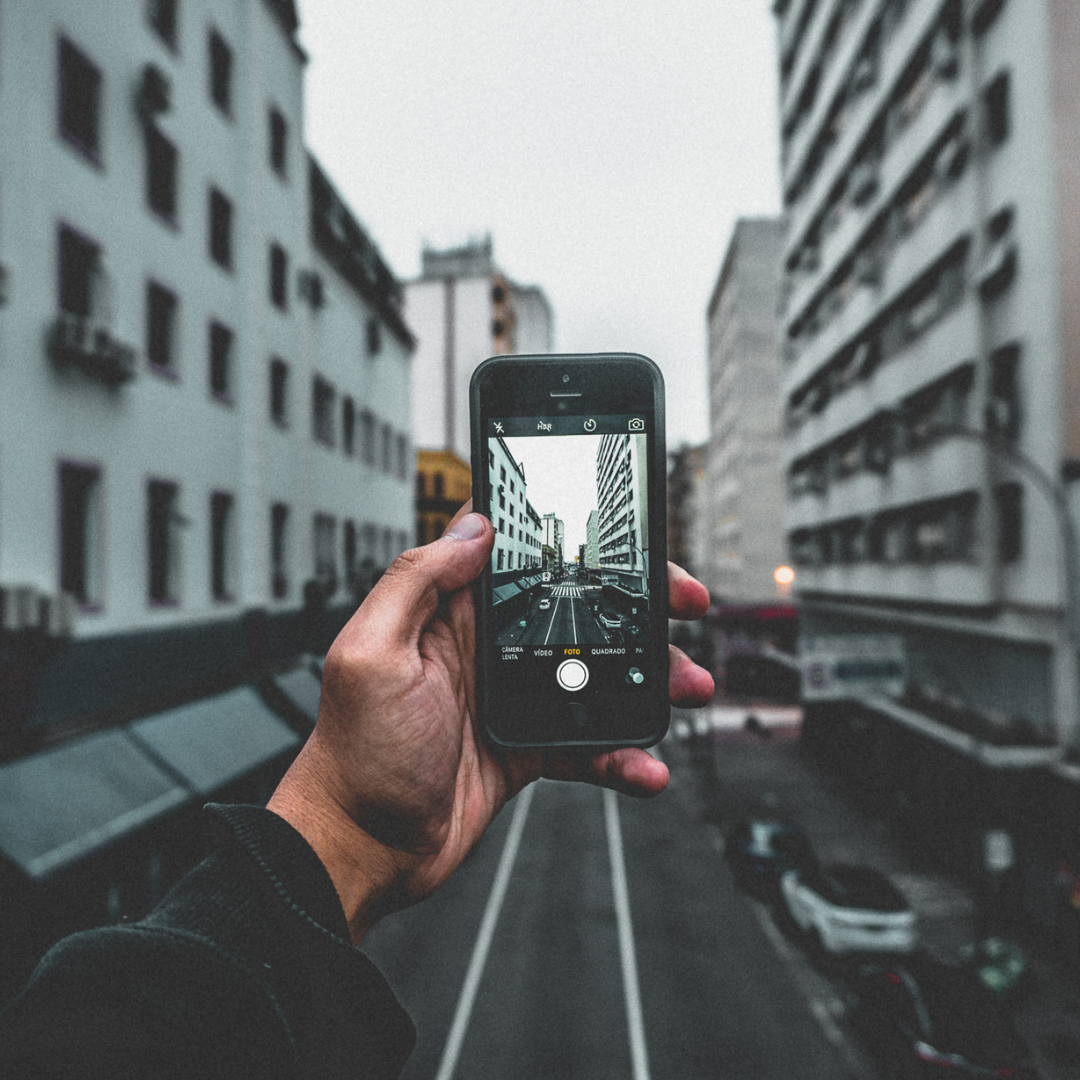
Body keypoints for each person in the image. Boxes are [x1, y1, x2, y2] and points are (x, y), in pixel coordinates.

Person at [0, 506, 713, 1079]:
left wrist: (346, 825)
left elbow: (130, 1034)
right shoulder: (102, 1023)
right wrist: (351, 824)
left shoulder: (92, 1018)